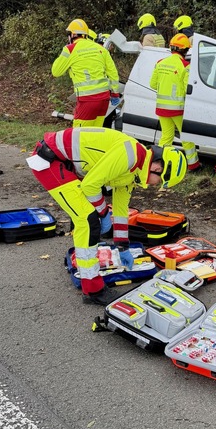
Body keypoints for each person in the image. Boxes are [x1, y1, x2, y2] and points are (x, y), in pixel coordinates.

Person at [27, 128, 187, 302]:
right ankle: (93, 291)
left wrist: (122, 246)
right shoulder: (129, 156)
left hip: (65, 164)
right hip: (49, 160)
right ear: (157, 167)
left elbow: (120, 211)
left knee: (89, 218)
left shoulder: (134, 170)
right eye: (161, 181)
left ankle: (90, 282)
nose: (156, 185)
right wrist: (103, 213)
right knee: (87, 220)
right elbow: (90, 186)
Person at [51, 19, 120, 128]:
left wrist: (64, 53)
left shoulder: (70, 49)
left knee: (79, 136)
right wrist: (115, 93)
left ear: (73, 35)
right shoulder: (100, 49)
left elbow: (56, 71)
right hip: (104, 100)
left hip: (87, 101)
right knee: (95, 134)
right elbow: (113, 73)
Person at [149, 33, 201, 172]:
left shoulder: (160, 63)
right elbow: (186, 89)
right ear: (185, 50)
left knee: (166, 137)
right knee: (186, 137)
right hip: (178, 109)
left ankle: (159, 165)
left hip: (162, 108)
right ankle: (194, 165)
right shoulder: (185, 65)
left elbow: (152, 84)